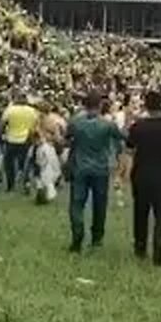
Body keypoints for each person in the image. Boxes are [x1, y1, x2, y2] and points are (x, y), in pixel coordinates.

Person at [125, 91, 161, 265]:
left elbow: (129, 146)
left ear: (146, 105)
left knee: (141, 211)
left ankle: (140, 246)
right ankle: (159, 239)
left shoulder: (138, 126)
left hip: (141, 173)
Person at [65, 91, 125, 252]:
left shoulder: (75, 122)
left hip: (80, 167)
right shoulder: (107, 124)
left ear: (84, 105)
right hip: (100, 168)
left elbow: (67, 137)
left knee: (76, 203)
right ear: (100, 105)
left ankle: (77, 233)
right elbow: (122, 137)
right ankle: (97, 237)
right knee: (100, 204)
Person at [1, 95, 39, 192]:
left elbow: (3, 122)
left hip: (11, 139)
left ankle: (10, 184)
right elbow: (36, 124)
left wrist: (3, 133)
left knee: (9, 163)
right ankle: (26, 183)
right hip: (26, 139)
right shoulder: (32, 111)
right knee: (25, 163)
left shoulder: (10, 110)